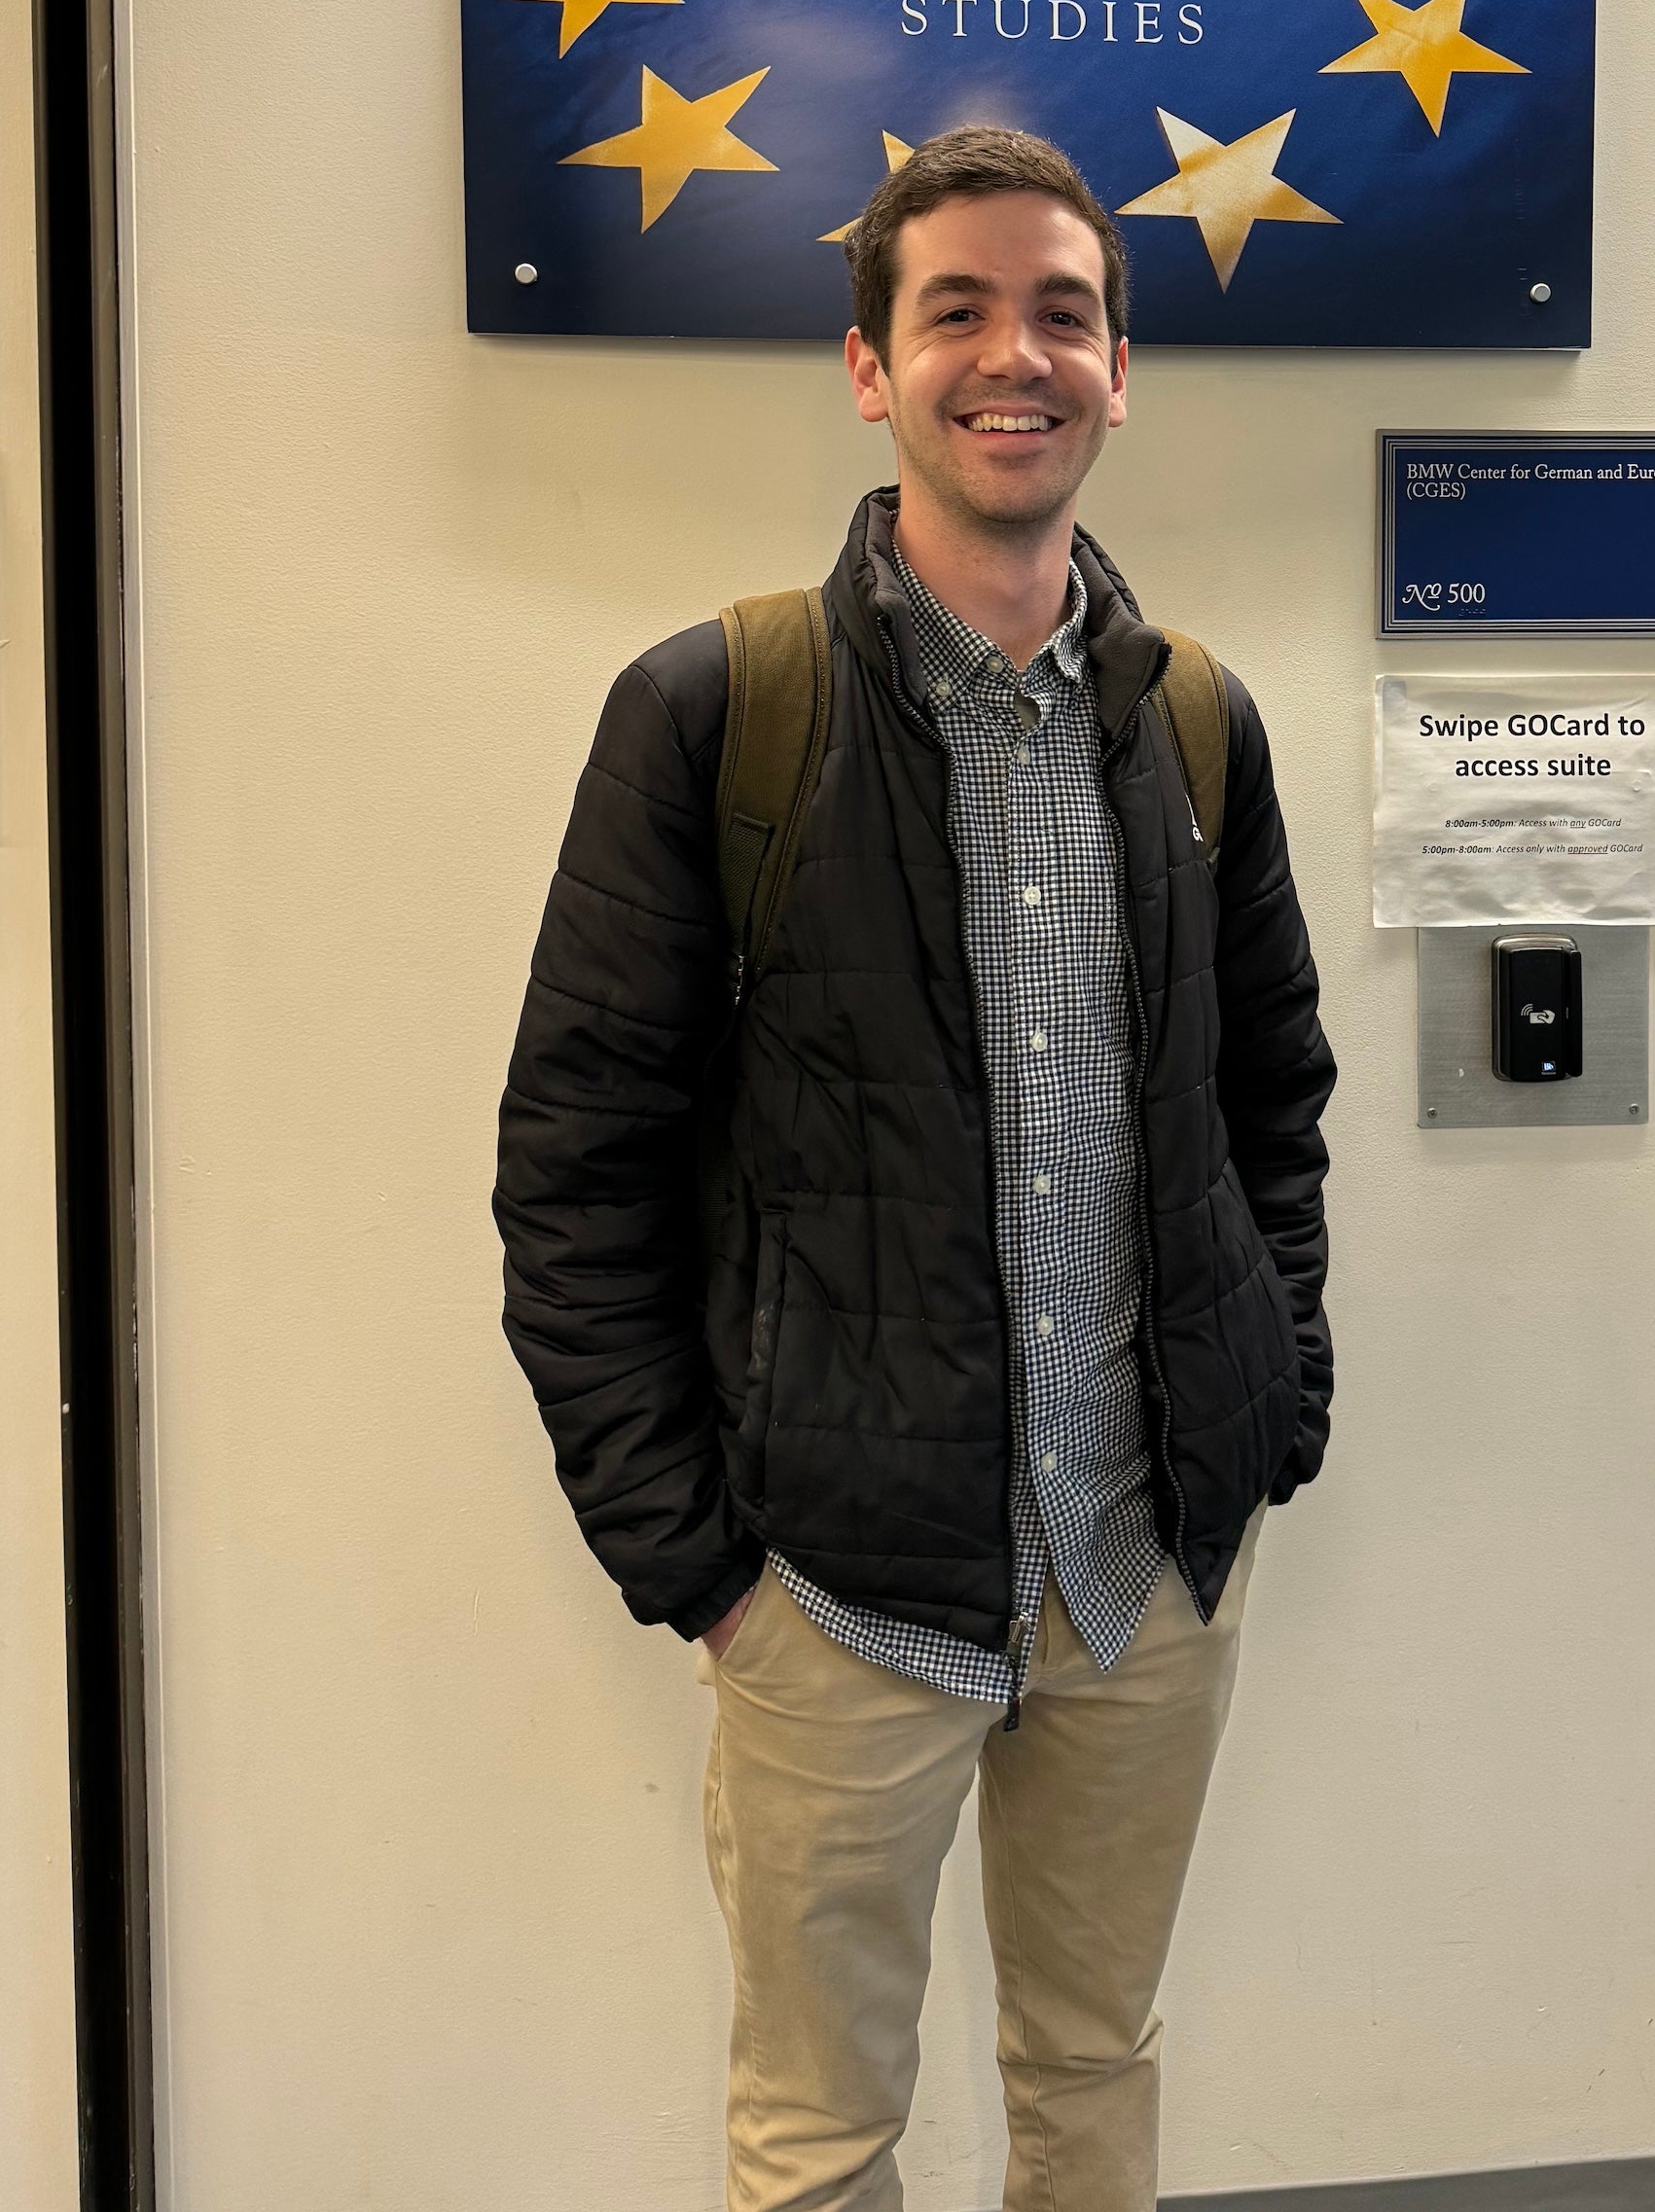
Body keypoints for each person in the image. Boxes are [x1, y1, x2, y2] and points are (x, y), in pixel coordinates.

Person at [494, 125, 1335, 2212]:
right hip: (841, 1590)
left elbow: (1275, 1108)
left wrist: (1274, 1401)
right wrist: (699, 1558)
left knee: (1092, 2066)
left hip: (1141, 1566)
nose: (1012, 354)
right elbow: (574, 1171)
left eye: (1063, 311)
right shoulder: (719, 710)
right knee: (819, 2130)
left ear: (1120, 368)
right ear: (870, 366)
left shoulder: (1199, 724)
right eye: (954, 308)